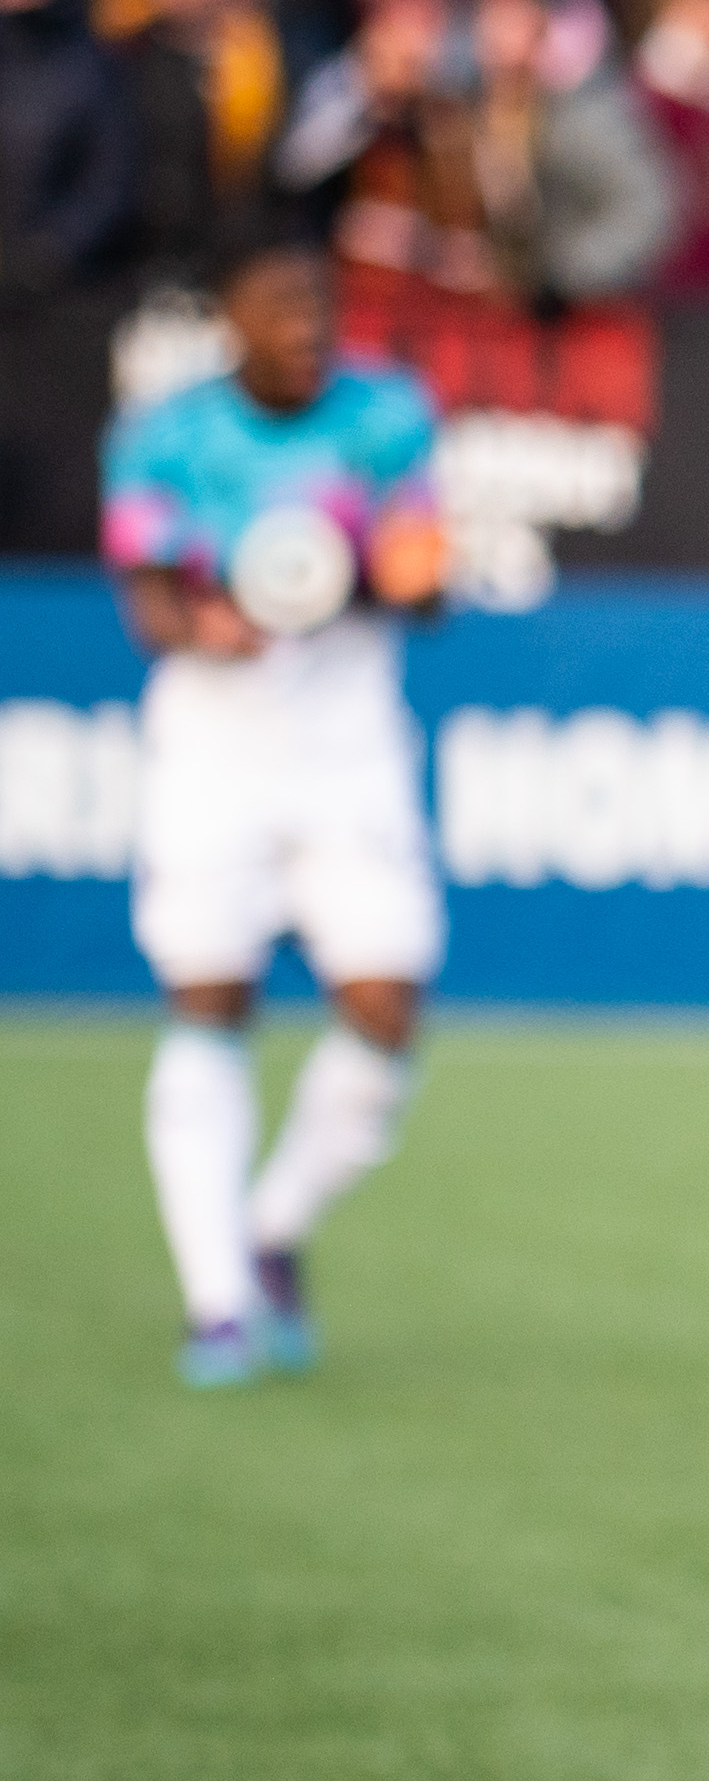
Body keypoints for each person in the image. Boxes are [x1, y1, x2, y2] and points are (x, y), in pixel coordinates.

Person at [97, 233, 446, 1390]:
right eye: (279, 308)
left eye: (319, 308)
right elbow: (149, 599)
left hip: (347, 736)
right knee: (209, 996)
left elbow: (424, 579)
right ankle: (219, 1305)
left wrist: (412, 574)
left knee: (387, 1001)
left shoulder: (386, 418)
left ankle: (273, 1225)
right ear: (231, 320)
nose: (305, 329)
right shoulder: (168, 436)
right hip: (218, 739)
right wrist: (205, 626)